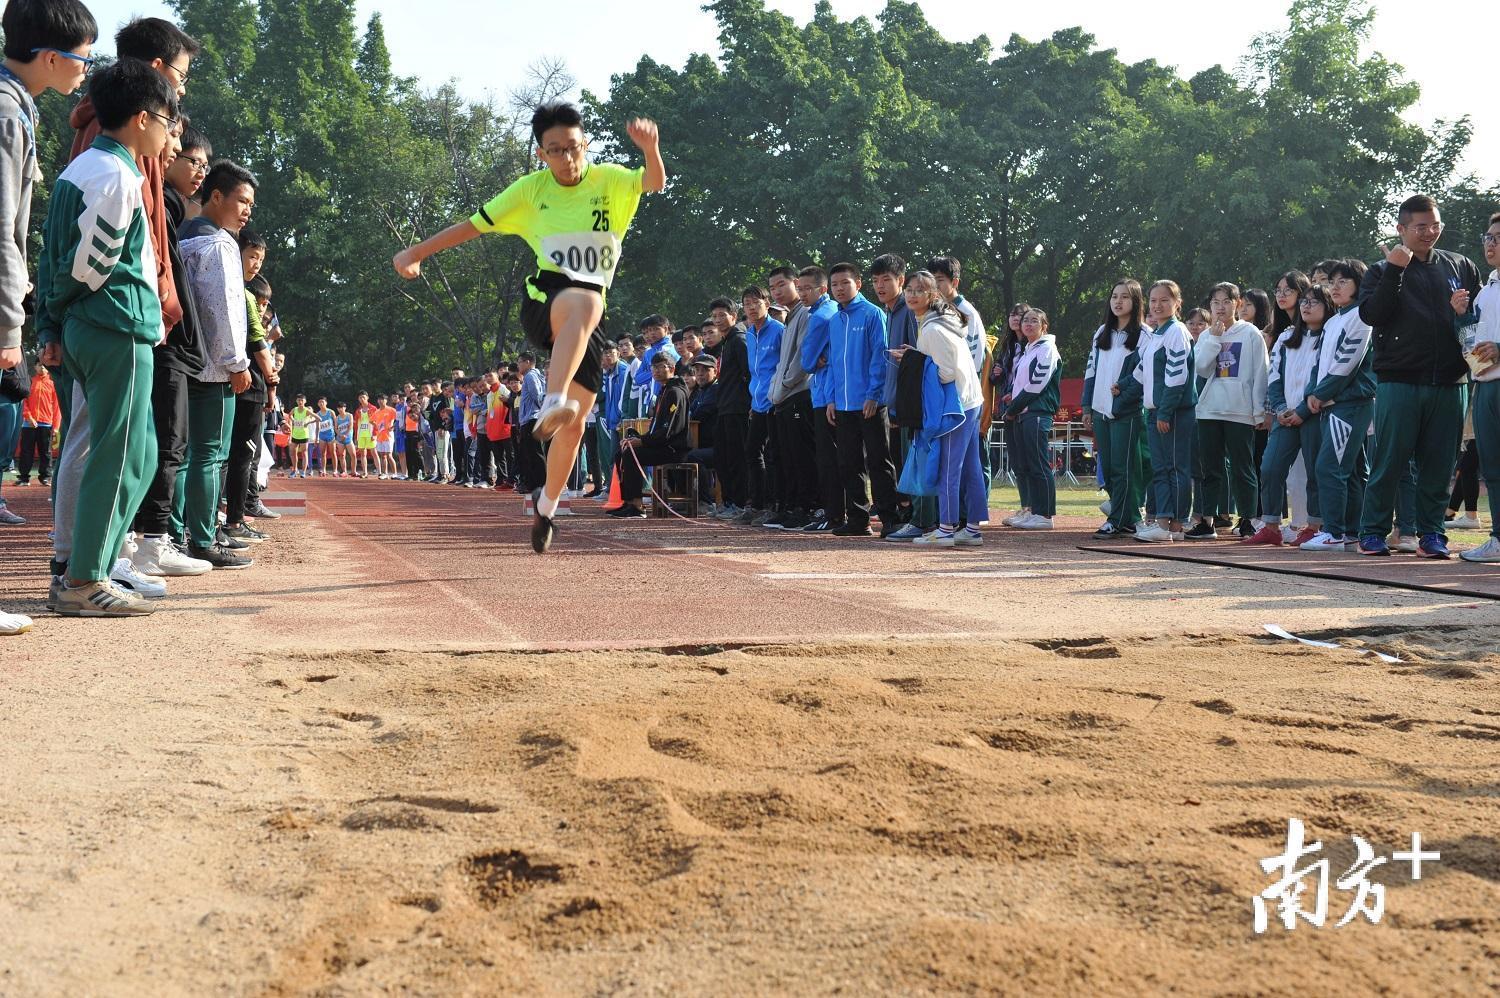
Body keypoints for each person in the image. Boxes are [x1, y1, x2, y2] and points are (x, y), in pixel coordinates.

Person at [394, 102, 666, 553]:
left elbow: (653, 182)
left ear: (587, 145)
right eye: (555, 151)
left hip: (587, 321)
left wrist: (651, 150)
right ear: (541, 154)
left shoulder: (612, 180)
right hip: (546, 299)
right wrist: (416, 252)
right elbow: (472, 226)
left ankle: (546, 506)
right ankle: (553, 400)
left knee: (576, 425)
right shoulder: (528, 191)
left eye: (574, 148)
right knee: (584, 299)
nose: (567, 159)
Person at [35, 59, 177, 614]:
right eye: (167, 120)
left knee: (131, 452)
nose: (169, 131)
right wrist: (61, 307)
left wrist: (53, 317)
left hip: (96, 325)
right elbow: (93, 261)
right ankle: (83, 578)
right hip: (115, 321)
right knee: (119, 454)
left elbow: (53, 256)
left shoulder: (82, 168)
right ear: (142, 119)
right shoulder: (119, 174)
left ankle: (89, 568)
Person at [1, 0, 100, 630]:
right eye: (83, 57)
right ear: (50, 56)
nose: (86, 70)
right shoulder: (8, 113)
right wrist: (10, 324)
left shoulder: (17, 106)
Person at [1356, 194, 1483, 558]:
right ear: (1401, 229)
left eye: (1435, 225)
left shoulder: (1460, 265)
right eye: (1421, 226)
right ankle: (1374, 531)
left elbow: (1472, 324)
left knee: (1440, 464)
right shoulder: (1381, 270)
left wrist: (1463, 319)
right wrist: (1395, 269)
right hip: (1399, 380)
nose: (1430, 232)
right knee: (1390, 460)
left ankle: (1431, 533)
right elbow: (1373, 315)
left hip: (1450, 382)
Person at [804, 262, 895, 537]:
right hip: (841, 405)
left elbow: (881, 357)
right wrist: (830, 399)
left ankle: (890, 519)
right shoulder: (835, 321)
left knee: (879, 462)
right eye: (835, 285)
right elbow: (831, 364)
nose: (840, 289)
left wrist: (874, 395)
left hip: (869, 404)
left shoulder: (872, 314)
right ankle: (858, 519)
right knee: (848, 463)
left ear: (858, 283)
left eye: (845, 283)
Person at [899, 270, 984, 546]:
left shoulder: (933, 328)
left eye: (919, 290)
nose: (912, 295)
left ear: (932, 295)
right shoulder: (938, 322)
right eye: (909, 289)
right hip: (970, 401)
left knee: (949, 467)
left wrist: (913, 363)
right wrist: (915, 357)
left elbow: (945, 372)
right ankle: (971, 528)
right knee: (970, 467)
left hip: (955, 406)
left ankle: (946, 528)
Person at [1243, 284, 1332, 546]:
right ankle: (1271, 525)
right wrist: (1281, 409)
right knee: (1270, 467)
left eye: (1314, 302)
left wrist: (1303, 411)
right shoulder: (1286, 336)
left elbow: (1325, 377)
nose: (1306, 306)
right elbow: (1275, 376)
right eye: (1304, 301)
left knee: (1316, 472)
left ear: (1328, 307)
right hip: (1285, 416)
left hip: (1314, 414)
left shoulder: (1330, 336)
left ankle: (1314, 525)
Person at [1185, 283, 1269, 540]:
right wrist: (1214, 339)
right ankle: (1207, 520)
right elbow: (1200, 368)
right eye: (1215, 302)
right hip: (1209, 410)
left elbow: (1260, 373)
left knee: (1243, 467)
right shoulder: (1208, 335)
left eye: (1226, 301)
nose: (1220, 307)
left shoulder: (1251, 333)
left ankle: (1247, 519)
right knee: (1211, 468)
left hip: (1240, 411)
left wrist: (1260, 411)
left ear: (1238, 304)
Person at [1301, 259, 1374, 551]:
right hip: (1332, 404)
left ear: (1359, 284)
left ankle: (1334, 531)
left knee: (1330, 467)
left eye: (1343, 281)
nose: (1335, 287)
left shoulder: (1361, 316)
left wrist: (1320, 394)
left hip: (1350, 403)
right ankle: (1350, 532)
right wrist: (1311, 393)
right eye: (1332, 282)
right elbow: (1320, 365)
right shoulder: (1334, 321)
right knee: (1351, 471)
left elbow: (1346, 364)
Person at [1082, 280, 1149, 539]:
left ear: (1135, 301)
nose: (1118, 302)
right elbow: (1091, 370)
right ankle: (1129, 517)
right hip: (1100, 409)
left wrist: (1123, 392)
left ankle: (1118, 519)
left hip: (1126, 412)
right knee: (1108, 468)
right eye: (1114, 296)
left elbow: (1142, 375)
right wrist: (1088, 405)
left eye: (1124, 297)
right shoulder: (1102, 332)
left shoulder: (1144, 335)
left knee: (1124, 467)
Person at [1134, 280, 1197, 543]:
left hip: (1172, 412)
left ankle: (1175, 523)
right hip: (1156, 411)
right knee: (1161, 468)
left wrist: (1165, 412)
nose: (1157, 305)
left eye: (1164, 300)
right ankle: (1165, 522)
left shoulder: (1177, 331)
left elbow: (1176, 375)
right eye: (1153, 300)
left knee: (1175, 468)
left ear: (1177, 303)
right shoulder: (1156, 334)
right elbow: (1141, 373)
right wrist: (1121, 388)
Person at [1456, 211, 1500, 563]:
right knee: (1492, 466)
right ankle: (1498, 537)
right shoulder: (1486, 291)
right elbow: (1474, 343)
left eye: (1498, 237)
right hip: (1485, 385)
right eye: (1487, 237)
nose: (1491, 243)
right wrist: (1461, 316)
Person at [607, 351, 690, 518]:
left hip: (672, 448)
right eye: (654, 367)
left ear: (672, 368)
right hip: (660, 444)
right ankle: (628, 501)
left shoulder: (675, 392)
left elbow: (669, 431)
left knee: (631, 453)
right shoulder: (664, 390)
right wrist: (637, 438)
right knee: (620, 453)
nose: (656, 371)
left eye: (661, 367)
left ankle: (637, 506)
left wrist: (642, 441)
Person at [766, 265, 818, 531]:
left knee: (802, 456)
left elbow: (801, 360)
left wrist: (784, 384)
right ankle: (793, 506)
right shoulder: (790, 317)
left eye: (781, 285)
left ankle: (806, 508)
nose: (776, 292)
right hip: (783, 397)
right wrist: (774, 389)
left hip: (799, 395)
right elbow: (783, 360)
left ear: (795, 283)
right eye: (772, 288)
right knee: (786, 456)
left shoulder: (807, 314)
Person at [1003, 308, 1062, 530]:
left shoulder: (1047, 348)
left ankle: (1045, 514)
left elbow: (1037, 383)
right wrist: (1013, 397)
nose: (1028, 324)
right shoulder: (1028, 349)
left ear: (1044, 326)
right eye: (1025, 320)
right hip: (1023, 412)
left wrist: (1015, 406)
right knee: (1026, 464)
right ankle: (1033, 511)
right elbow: (1024, 383)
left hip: (1037, 412)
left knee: (1038, 463)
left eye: (1034, 321)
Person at [796, 266, 842, 533]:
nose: (802, 293)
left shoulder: (822, 317)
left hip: (826, 395)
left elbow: (808, 360)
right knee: (834, 457)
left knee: (828, 458)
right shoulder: (829, 312)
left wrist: (814, 361)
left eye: (806, 289)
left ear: (822, 289)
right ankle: (835, 511)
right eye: (799, 288)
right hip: (829, 392)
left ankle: (833, 512)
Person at [741, 285, 784, 526]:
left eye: (756, 302)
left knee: (774, 454)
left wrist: (777, 395)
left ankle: (774, 504)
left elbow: (784, 364)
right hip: (756, 403)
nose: (751, 307)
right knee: (751, 451)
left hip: (775, 401)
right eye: (747, 303)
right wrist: (752, 399)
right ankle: (756, 504)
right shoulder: (749, 334)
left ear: (767, 304)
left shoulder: (778, 330)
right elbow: (754, 372)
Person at [713, 297, 752, 521]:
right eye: (715, 316)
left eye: (722, 315)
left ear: (734, 316)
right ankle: (729, 501)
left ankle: (740, 503)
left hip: (738, 407)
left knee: (738, 458)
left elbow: (748, 373)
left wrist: (748, 403)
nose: (718, 320)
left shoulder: (739, 340)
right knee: (724, 457)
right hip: (725, 406)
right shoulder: (727, 341)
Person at [16, 361, 59, 486]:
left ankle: (45, 477)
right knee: (26, 451)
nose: (42, 367)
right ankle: (24, 477)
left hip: (46, 423)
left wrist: (55, 427)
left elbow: (57, 407)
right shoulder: (29, 382)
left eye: (45, 365)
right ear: (35, 367)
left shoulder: (52, 384)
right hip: (29, 424)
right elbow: (24, 401)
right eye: (39, 365)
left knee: (46, 452)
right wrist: (29, 417)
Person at [288, 393, 311, 476]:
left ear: (305, 401)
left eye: (302, 400)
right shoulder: (294, 409)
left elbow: (317, 418)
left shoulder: (307, 410)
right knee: (293, 452)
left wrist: (307, 422)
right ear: (296, 401)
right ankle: (295, 469)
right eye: (298, 400)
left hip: (304, 435)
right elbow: (290, 415)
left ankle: (303, 472)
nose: (300, 402)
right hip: (295, 434)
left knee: (304, 453)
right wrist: (293, 420)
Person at [333, 401, 353, 476]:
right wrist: (341, 435)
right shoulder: (337, 418)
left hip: (348, 438)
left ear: (345, 408)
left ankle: (353, 471)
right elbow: (336, 428)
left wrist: (346, 435)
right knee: (341, 455)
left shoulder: (349, 415)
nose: (340, 409)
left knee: (353, 455)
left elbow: (350, 426)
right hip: (340, 439)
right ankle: (344, 471)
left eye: (342, 407)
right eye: (339, 408)